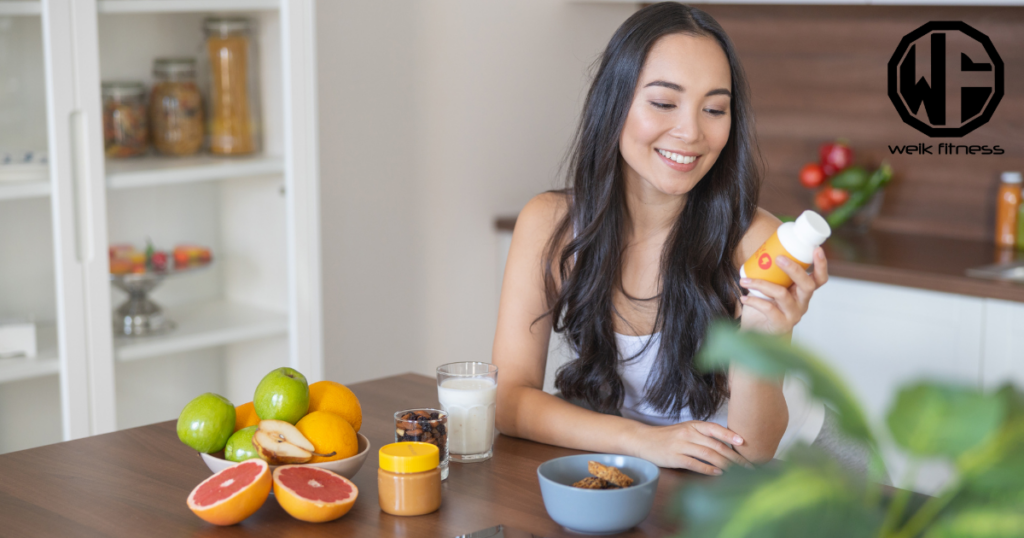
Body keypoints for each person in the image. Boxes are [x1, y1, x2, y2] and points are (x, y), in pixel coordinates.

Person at [492, 3, 832, 475]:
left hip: (797, 471)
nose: (691, 132)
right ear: (615, 103)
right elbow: (509, 402)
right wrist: (644, 442)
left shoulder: (756, 242)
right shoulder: (549, 225)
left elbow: (753, 450)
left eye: (714, 109)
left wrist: (763, 334)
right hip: (657, 467)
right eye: (663, 102)